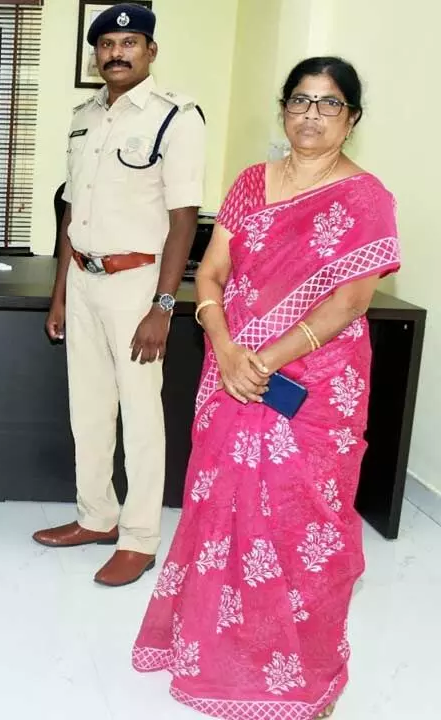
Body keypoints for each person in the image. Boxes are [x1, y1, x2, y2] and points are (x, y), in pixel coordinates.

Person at [133, 57, 399, 720]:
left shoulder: (367, 198)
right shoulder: (252, 183)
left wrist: (265, 360)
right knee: (222, 511)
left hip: (314, 382)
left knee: (302, 521)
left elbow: (348, 302)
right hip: (233, 371)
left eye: (329, 104)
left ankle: (299, 674)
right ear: (283, 110)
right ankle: (213, 656)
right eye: (300, 101)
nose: (311, 114)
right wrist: (226, 348)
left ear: (352, 119)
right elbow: (212, 271)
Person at [31, 3, 206, 587]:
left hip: (137, 286)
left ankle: (138, 537)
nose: (116, 53)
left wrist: (164, 305)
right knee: (88, 409)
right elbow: (71, 213)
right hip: (81, 278)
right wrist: (59, 293)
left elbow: (184, 220)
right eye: (106, 44)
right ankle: (96, 517)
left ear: (150, 51)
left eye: (129, 42)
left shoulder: (175, 117)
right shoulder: (84, 117)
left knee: (140, 414)